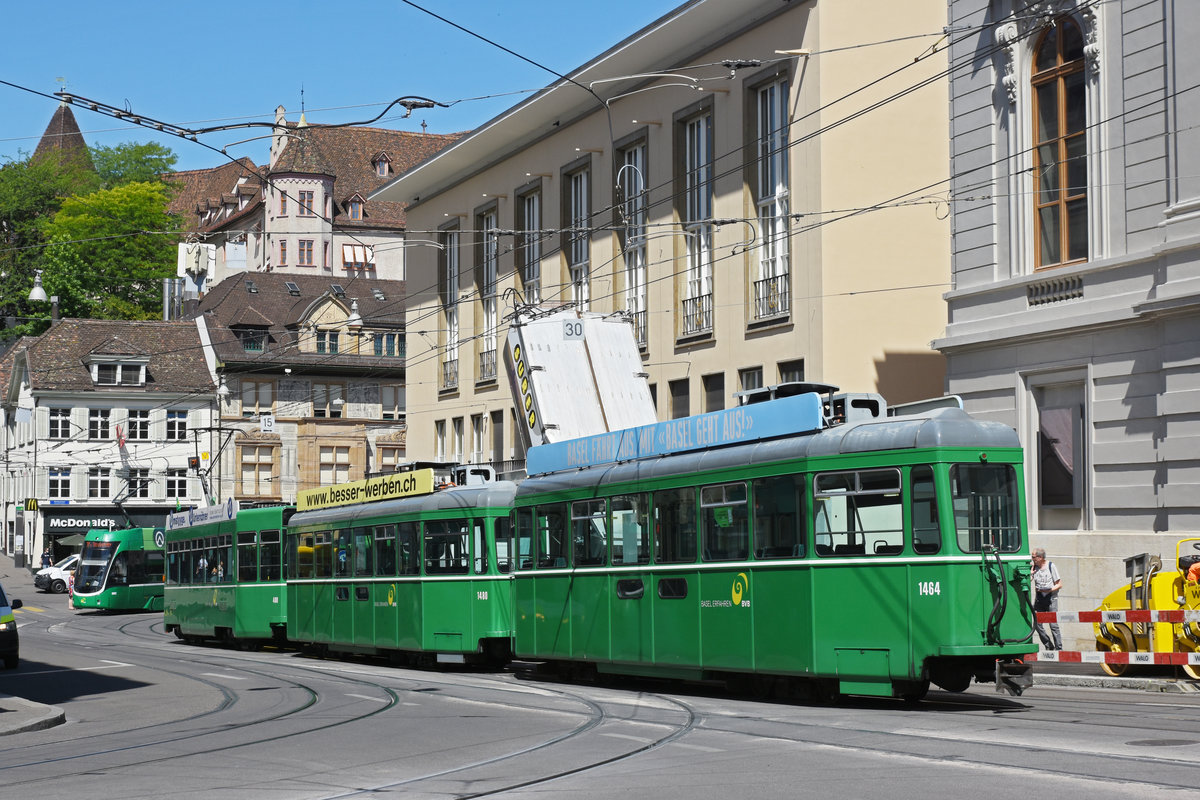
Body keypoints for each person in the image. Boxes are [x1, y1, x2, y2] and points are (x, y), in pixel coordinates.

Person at [1032, 548, 1063, 650]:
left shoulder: (1051, 566)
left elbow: (1059, 584)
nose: (1032, 559)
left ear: (1040, 557)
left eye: (1033, 557)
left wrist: (1049, 590)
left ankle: (1059, 648)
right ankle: (1049, 646)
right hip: (1039, 599)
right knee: (1037, 624)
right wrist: (1031, 573)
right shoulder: (1034, 567)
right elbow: (1029, 580)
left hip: (1051, 598)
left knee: (1053, 624)